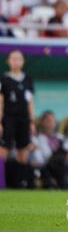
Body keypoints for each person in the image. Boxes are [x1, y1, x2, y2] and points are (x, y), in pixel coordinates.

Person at [0, 50, 35, 188]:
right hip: (8, 118)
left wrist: (32, 121)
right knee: (4, 150)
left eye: (19, 59)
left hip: (24, 119)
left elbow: (30, 101)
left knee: (24, 152)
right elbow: (1, 101)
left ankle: (19, 184)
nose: (16, 61)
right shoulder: (4, 79)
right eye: (13, 59)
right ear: (8, 61)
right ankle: (2, 183)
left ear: (23, 61)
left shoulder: (27, 79)